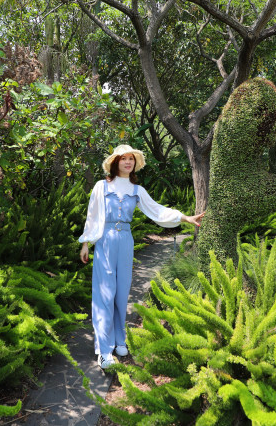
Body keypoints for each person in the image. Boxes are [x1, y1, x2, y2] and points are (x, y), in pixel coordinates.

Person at [79, 145, 204, 370]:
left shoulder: (137, 190)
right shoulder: (101, 186)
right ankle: (104, 350)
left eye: (131, 159)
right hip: (105, 240)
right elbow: (92, 215)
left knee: (121, 292)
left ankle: (119, 340)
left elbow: (157, 210)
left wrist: (185, 218)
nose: (128, 162)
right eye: (124, 159)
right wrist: (86, 243)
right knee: (105, 293)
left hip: (125, 241)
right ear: (115, 162)